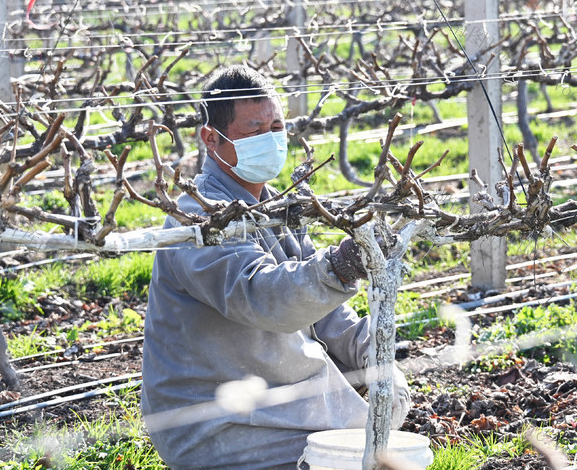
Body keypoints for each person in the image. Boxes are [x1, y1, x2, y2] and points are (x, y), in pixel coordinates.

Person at [140, 65, 410, 469]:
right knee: (367, 457)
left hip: (281, 402)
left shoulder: (272, 208)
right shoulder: (196, 219)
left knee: (385, 436)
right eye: (253, 130)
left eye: (277, 125)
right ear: (212, 139)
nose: (270, 139)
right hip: (219, 424)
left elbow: (328, 311)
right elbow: (263, 296)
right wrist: (341, 264)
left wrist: (376, 354)